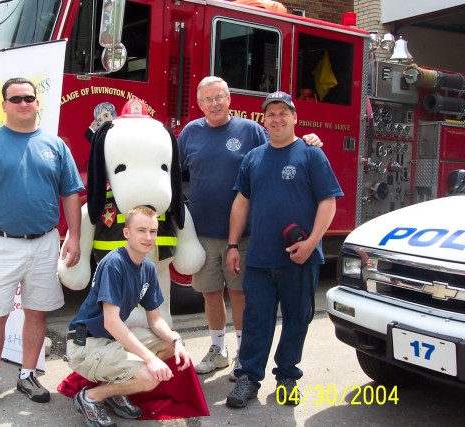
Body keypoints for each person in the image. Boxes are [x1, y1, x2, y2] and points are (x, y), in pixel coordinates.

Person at [177, 76, 321, 380]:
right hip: (202, 234)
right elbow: (176, 174)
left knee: (240, 294)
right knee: (210, 293)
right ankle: (218, 350)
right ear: (199, 104)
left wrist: (309, 139)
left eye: (219, 97)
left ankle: (243, 353)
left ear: (230, 99)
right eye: (207, 99)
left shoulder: (251, 130)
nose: (214, 104)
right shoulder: (189, 133)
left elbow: (281, 147)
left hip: (242, 236)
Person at [0, 77, 84, 407]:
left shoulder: (56, 146)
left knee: (37, 314)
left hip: (44, 243)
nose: (24, 103)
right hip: (0, 244)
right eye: (16, 99)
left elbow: (70, 194)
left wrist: (75, 237)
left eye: (29, 97)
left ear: (37, 102)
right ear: (4, 105)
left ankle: (27, 375)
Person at [224, 91, 343, 408]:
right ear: (264, 120)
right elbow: (241, 203)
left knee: (296, 319)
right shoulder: (253, 158)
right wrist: (233, 245)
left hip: (300, 259)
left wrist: (312, 243)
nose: (277, 119)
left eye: (283, 113)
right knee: (256, 320)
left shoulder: (311, 155)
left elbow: (327, 202)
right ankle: (248, 378)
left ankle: (287, 377)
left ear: (294, 118)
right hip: (260, 259)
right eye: (271, 114)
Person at [66, 205, 191, 427]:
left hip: (109, 342)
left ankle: (116, 388)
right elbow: (111, 322)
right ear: (127, 233)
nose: (148, 237)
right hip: (85, 344)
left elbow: (155, 319)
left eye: (152, 231)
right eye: (141, 230)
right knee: (149, 377)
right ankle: (91, 397)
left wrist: (176, 340)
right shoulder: (114, 264)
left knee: (169, 345)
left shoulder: (148, 268)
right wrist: (150, 359)